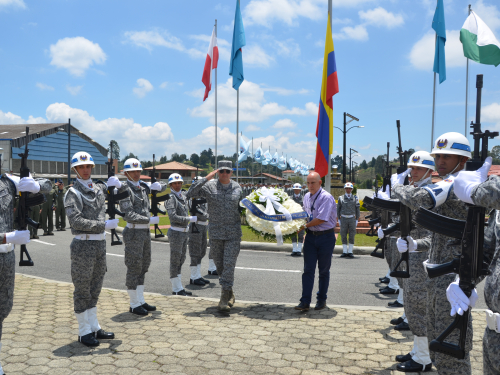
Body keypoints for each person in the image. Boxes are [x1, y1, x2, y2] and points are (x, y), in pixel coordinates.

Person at [391, 132, 471, 374]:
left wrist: (397, 187)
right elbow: (438, 237)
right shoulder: (448, 183)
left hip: (453, 276)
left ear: (463, 160)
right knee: (437, 342)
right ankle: (424, 357)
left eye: (448, 156)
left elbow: (420, 198)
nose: (441, 161)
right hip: (437, 272)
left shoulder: (455, 183)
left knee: (451, 346)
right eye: (438, 156)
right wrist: (417, 245)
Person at [64, 151, 126, 347]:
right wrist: (102, 225)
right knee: (82, 289)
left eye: (88, 166)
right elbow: (75, 220)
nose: (85, 170)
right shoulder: (72, 193)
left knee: (95, 288)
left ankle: (94, 327)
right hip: (83, 244)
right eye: (81, 167)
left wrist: (118, 184)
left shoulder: (99, 188)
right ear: (75, 169)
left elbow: (118, 192)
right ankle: (83, 332)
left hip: (99, 244)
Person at [0, 172, 52, 375]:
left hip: (6, 259)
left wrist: (36, 186)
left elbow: (47, 187)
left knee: (3, 309)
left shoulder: (7, 183)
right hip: (6, 244)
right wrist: (8, 237)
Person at [452, 156, 499, 375]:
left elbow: (491, 193)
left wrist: (475, 190)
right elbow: (487, 253)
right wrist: (463, 279)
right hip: (493, 335)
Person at [391, 151, 435, 372]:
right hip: (411, 257)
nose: (413, 173)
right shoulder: (415, 191)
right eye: (411, 169)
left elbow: (434, 235)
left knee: (419, 308)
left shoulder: (430, 193)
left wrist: (415, 245)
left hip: (423, 259)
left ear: (429, 171)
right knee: (411, 306)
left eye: (418, 169)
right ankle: (418, 350)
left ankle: (424, 359)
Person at [187, 160, 243, 312]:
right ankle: (230, 291)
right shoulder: (209, 186)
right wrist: (206, 178)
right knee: (220, 266)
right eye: (221, 171)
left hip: (233, 233)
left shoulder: (238, 188)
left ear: (232, 172)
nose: (224, 174)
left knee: (229, 264)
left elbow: (245, 207)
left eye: (227, 171)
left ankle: (224, 297)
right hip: (216, 233)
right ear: (217, 172)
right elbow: (190, 193)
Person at [119, 158, 166, 315]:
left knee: (144, 265)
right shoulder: (125, 189)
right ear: (126, 173)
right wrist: (148, 219)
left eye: (138, 171)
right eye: (133, 171)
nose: (136, 173)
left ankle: (140, 299)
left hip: (144, 232)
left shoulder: (142, 187)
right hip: (133, 232)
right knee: (134, 266)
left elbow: (166, 188)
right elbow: (128, 214)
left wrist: (160, 185)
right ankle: (133, 303)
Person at [294, 171, 337, 312]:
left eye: (313, 182)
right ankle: (305, 301)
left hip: (326, 237)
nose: (310, 185)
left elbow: (321, 218)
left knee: (323, 270)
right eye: (308, 183)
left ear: (320, 183)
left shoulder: (326, 197)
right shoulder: (306, 196)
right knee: (308, 270)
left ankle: (321, 299)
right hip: (311, 237)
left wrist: (304, 225)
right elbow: (304, 213)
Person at [165, 173, 195, 296]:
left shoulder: (182, 195)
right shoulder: (170, 198)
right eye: (174, 183)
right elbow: (172, 216)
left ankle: (179, 287)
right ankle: (176, 288)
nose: (177, 185)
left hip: (183, 233)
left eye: (179, 183)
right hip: (176, 232)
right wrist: (188, 219)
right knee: (175, 260)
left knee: (181, 259)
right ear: (170, 185)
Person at [188, 176, 210, 286]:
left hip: (203, 226)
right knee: (195, 252)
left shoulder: (204, 196)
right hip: (195, 226)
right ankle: (193, 277)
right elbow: (197, 212)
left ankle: (198, 275)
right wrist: (208, 215)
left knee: (201, 251)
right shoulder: (192, 197)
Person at [337, 182, 360, 258]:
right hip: (343, 218)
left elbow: (357, 209)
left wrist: (357, 219)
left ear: (352, 189)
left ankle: (350, 251)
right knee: (343, 234)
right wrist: (338, 219)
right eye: (346, 188)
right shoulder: (341, 198)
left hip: (352, 218)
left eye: (349, 188)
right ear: (344, 189)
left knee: (352, 234)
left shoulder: (355, 198)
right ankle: (344, 251)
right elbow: (338, 209)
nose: (348, 190)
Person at [290, 183, 305, 257]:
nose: (296, 191)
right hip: (292, 219)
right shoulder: (290, 199)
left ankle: (299, 250)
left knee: (301, 234)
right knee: (292, 234)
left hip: (300, 219)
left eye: (297, 189)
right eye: (295, 189)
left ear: (300, 190)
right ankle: (294, 249)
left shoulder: (304, 198)